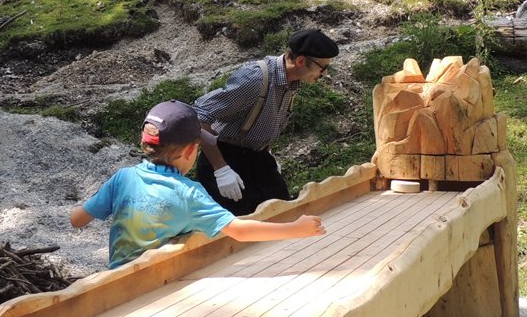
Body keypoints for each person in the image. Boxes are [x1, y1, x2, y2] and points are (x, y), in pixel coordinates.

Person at [71, 100, 326, 269]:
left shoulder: (124, 178)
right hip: (156, 286)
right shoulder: (188, 193)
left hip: (114, 277)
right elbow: (240, 231)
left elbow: (77, 219)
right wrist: (295, 228)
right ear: (192, 150)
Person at [192, 28, 338, 215]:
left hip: (258, 160)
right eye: (322, 68)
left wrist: (266, 152)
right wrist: (221, 169)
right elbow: (198, 116)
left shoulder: (291, 82)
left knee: (283, 213)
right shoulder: (255, 79)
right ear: (301, 61)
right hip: (227, 159)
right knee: (244, 229)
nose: (324, 74)